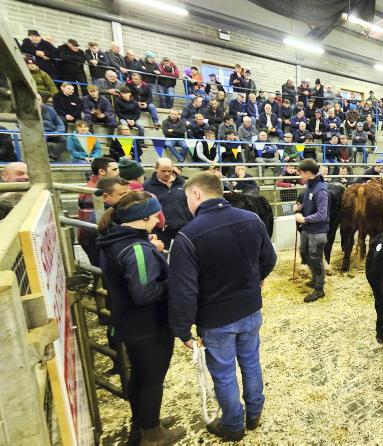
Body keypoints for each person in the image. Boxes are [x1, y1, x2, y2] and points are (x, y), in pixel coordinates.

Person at [168, 172, 276, 441]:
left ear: (196, 194)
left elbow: (184, 290)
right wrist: (256, 280)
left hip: (216, 319)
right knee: (251, 361)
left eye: (187, 198)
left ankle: (233, 424)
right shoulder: (251, 219)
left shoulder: (187, 237)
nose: (187, 205)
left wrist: (182, 330)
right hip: (250, 309)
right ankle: (254, 413)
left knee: (224, 373)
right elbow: (270, 258)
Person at [96, 191, 186, 446]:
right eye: (157, 213)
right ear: (147, 217)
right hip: (148, 326)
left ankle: (144, 423)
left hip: (129, 323)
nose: (160, 218)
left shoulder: (113, 238)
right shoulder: (136, 248)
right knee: (152, 381)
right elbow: (145, 293)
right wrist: (174, 281)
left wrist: (151, 248)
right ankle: (153, 435)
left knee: (140, 376)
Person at [292, 159, 329, 303]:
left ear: (307, 173)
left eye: (300, 173)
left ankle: (319, 289)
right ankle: (315, 279)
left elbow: (322, 214)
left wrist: (304, 219)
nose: (299, 175)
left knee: (316, 259)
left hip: (317, 231)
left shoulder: (320, 190)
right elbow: (311, 207)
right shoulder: (309, 187)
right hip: (308, 229)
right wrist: (300, 208)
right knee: (304, 252)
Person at [144, 158, 191, 248]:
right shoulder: (147, 186)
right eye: (163, 171)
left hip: (183, 228)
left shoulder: (183, 183)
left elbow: (189, 203)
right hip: (161, 231)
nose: (167, 173)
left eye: (169, 171)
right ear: (156, 169)